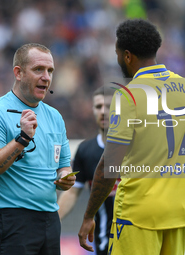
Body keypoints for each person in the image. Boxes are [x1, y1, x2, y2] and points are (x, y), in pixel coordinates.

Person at [78, 19, 185, 255]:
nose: (117, 59)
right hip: (178, 213)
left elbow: (110, 164)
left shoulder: (129, 95)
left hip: (137, 216)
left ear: (127, 56)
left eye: (117, 53)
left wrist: (89, 215)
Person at [0, 43, 75, 255]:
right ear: (18, 73)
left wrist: (65, 177)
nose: (46, 77)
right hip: (12, 219)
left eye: (50, 71)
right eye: (38, 69)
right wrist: (22, 138)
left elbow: (63, 166)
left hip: (50, 218)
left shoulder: (55, 117)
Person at [58, 86, 119, 255]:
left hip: (138, 239)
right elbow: (72, 193)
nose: (103, 111)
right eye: (98, 107)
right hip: (103, 242)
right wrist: (52, 222)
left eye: (109, 106)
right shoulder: (86, 150)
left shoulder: (138, 148)